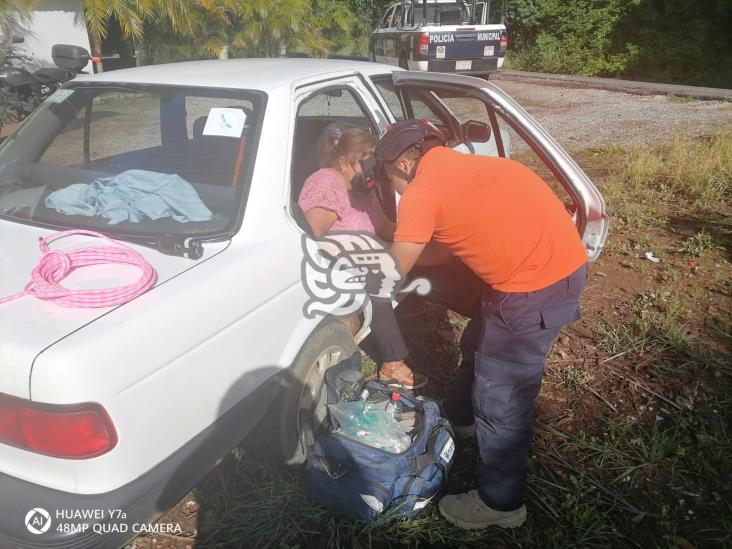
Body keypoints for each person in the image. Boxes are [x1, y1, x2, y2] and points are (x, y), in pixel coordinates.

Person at [374, 119, 588, 529]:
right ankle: (462, 420)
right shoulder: (486, 167)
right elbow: (449, 246)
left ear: (403, 163)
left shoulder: (422, 191)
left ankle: (501, 505)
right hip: (558, 268)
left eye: (390, 178)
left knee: (502, 396)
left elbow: (394, 269)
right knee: (479, 344)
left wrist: (365, 257)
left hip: (530, 289)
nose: (396, 189)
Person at [297, 127, 427, 389]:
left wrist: (420, 235)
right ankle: (392, 364)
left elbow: (384, 226)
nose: (370, 169)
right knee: (379, 279)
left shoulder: (358, 190)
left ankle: (411, 323)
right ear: (344, 161)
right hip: (333, 264)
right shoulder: (326, 182)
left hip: (364, 253)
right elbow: (314, 233)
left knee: (417, 260)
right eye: (364, 160)